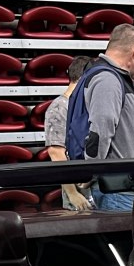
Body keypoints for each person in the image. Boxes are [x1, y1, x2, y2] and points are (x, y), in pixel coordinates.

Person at [82, 24, 134, 210]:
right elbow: (100, 131)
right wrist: (92, 172)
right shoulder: (108, 80)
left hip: (126, 189)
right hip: (119, 192)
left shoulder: (117, 79)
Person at [44, 55, 95, 210]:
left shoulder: (84, 105)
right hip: (78, 198)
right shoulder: (59, 108)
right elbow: (56, 153)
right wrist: (72, 193)